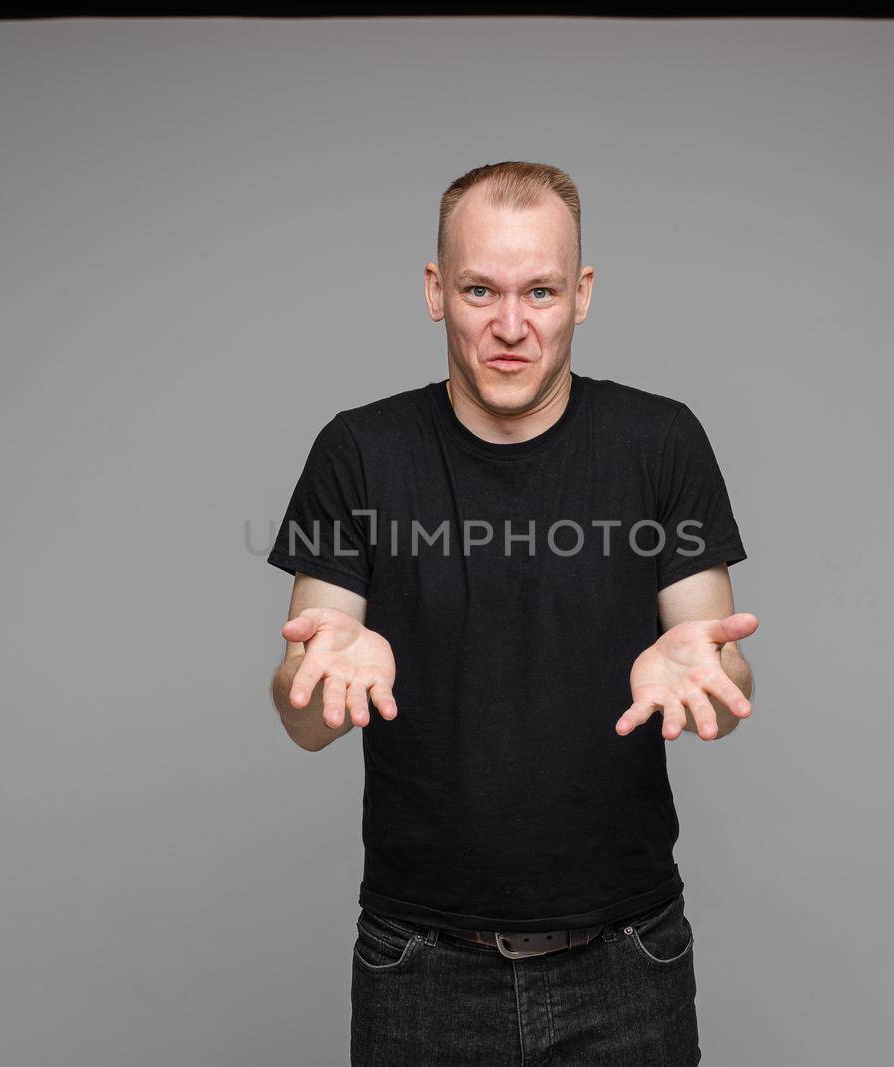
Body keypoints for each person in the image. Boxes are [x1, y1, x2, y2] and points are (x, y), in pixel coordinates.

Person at [266, 161, 758, 1066]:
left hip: (628, 958)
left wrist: (709, 672)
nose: (508, 326)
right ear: (432, 291)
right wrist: (319, 675)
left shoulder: (661, 442)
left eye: (539, 291)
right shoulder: (359, 452)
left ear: (582, 294)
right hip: (418, 963)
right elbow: (303, 718)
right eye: (478, 289)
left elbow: (719, 680)